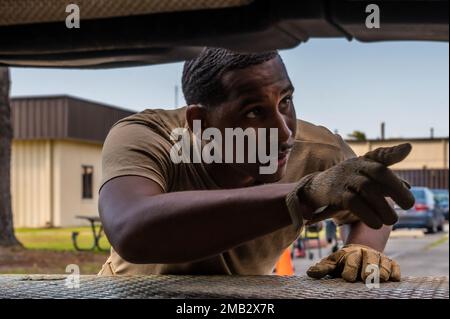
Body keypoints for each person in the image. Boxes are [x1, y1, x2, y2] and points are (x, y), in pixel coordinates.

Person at [98, 48, 414, 282]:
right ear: (201, 123)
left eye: (285, 102)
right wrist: (303, 196)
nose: (284, 133)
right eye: (253, 112)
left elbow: (373, 194)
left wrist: (362, 248)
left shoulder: (318, 152)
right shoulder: (149, 136)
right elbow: (131, 230)